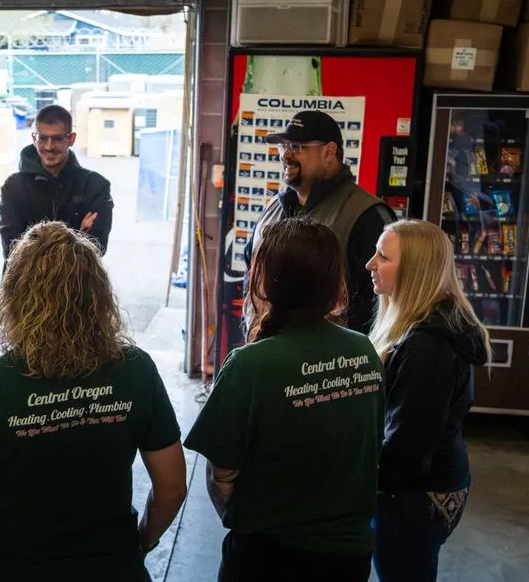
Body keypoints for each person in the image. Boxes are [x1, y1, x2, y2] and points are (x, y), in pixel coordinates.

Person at [0, 221, 186, 581]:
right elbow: (172, 488)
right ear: (98, 295)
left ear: (14, 296)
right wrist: (141, 542)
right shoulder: (136, 371)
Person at [187, 217, 385, 582]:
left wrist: (242, 520)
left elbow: (221, 475)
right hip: (349, 557)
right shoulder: (363, 351)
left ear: (266, 279)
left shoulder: (249, 365)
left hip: (268, 555)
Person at [366, 220, 490, 582]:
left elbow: (406, 451)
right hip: (427, 487)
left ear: (414, 271)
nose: (370, 264)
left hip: (414, 497)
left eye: (382, 257)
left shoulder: (427, 347)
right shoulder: (428, 325)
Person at [243, 110, 396, 334]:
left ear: (329, 152)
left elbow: (377, 302)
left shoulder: (367, 215)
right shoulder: (272, 208)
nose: (285, 155)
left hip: (328, 363)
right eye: (283, 146)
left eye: (296, 146)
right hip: (263, 352)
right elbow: (251, 274)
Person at [0, 104, 114, 259]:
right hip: (25, 283)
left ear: (71, 139)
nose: (49, 146)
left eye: (57, 139)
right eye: (43, 138)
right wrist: (78, 235)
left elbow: (96, 250)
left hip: (76, 283)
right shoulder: (15, 187)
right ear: (34, 138)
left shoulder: (95, 187)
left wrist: (36, 243)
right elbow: (13, 251)